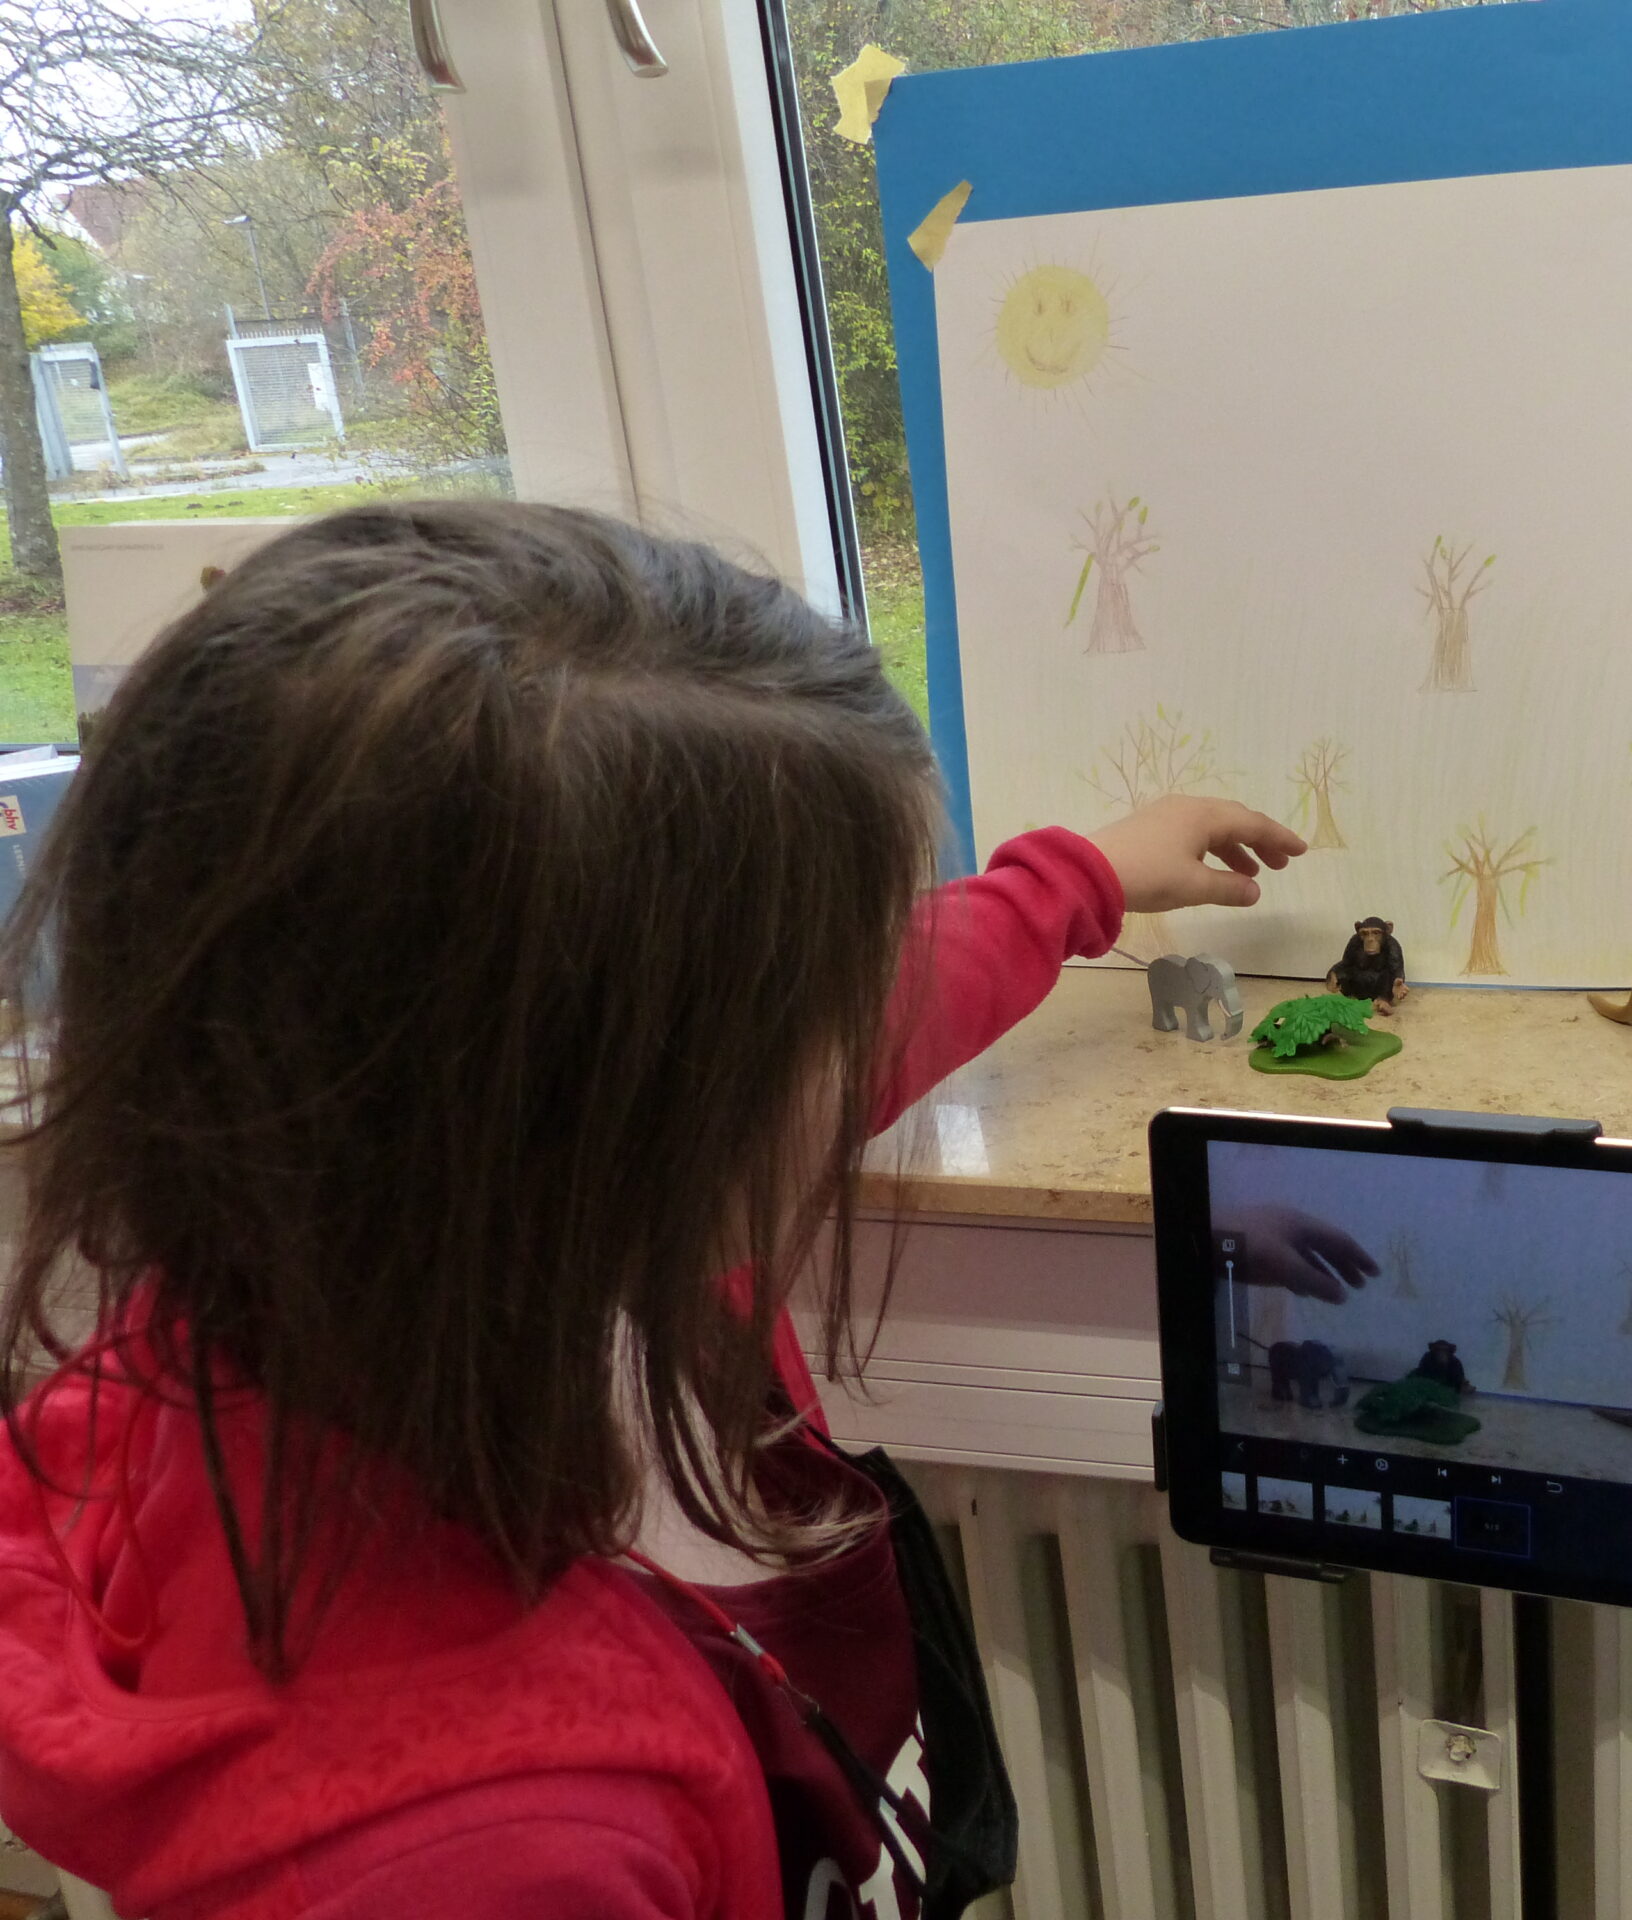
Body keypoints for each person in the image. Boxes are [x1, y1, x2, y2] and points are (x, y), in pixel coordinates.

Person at [0, 501, 1305, 1919]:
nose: (875, 1015)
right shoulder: (488, 1855)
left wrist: (1080, 881)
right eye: (824, 995)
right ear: (636, 1098)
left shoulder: (473, 1235)